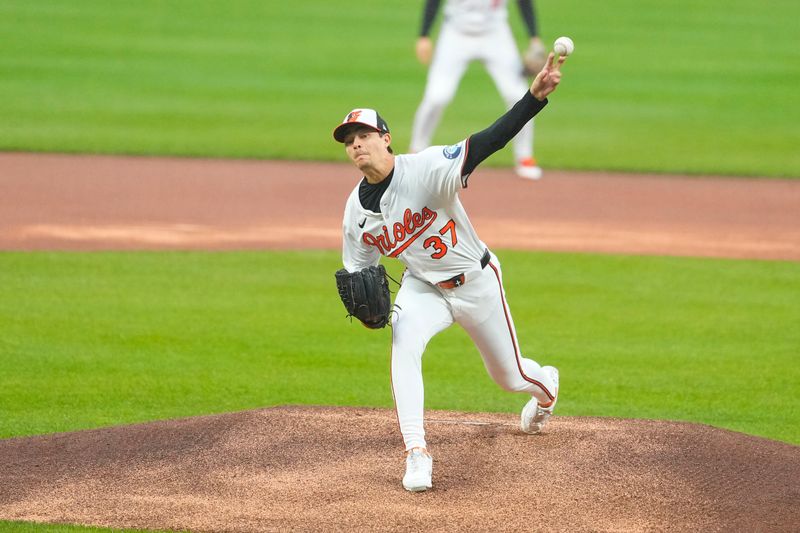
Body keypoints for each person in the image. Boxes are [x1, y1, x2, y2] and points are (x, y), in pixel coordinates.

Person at [332, 52, 566, 492]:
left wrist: (533, 98)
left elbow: (485, 143)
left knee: (510, 376)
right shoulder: (353, 213)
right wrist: (368, 314)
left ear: (386, 139)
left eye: (364, 134)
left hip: (477, 282)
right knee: (403, 342)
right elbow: (359, 270)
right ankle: (417, 452)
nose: (357, 144)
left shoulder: (425, 169)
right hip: (424, 288)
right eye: (349, 140)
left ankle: (546, 388)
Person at [410, 0, 548, 180]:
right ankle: (416, 152)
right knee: (437, 96)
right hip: (455, 33)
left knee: (517, 94)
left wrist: (534, 37)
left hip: (496, 34)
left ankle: (524, 157)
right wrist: (424, 35)